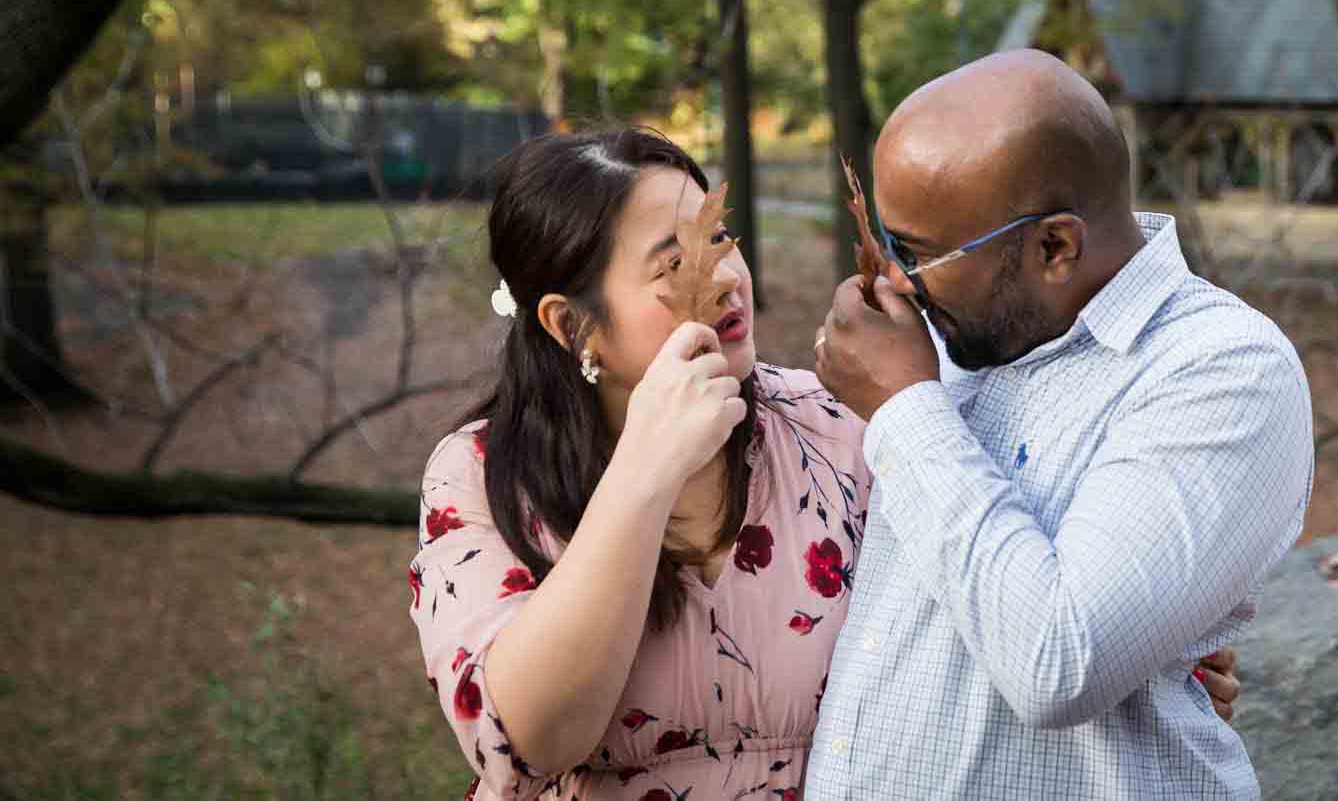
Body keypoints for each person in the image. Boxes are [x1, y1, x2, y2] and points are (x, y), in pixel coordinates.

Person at [408, 127, 1239, 799]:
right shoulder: (482, 477)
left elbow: (1002, 597)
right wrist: (644, 473)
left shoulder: (838, 425)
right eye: (675, 262)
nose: (727, 275)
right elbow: (531, 742)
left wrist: (1156, 657)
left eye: (722, 234)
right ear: (570, 324)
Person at [810, 50, 1315, 799]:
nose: (892, 281)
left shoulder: (1223, 369)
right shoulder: (956, 335)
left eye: (917, 253)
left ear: (1055, 247)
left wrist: (906, 409)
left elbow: (1060, 661)